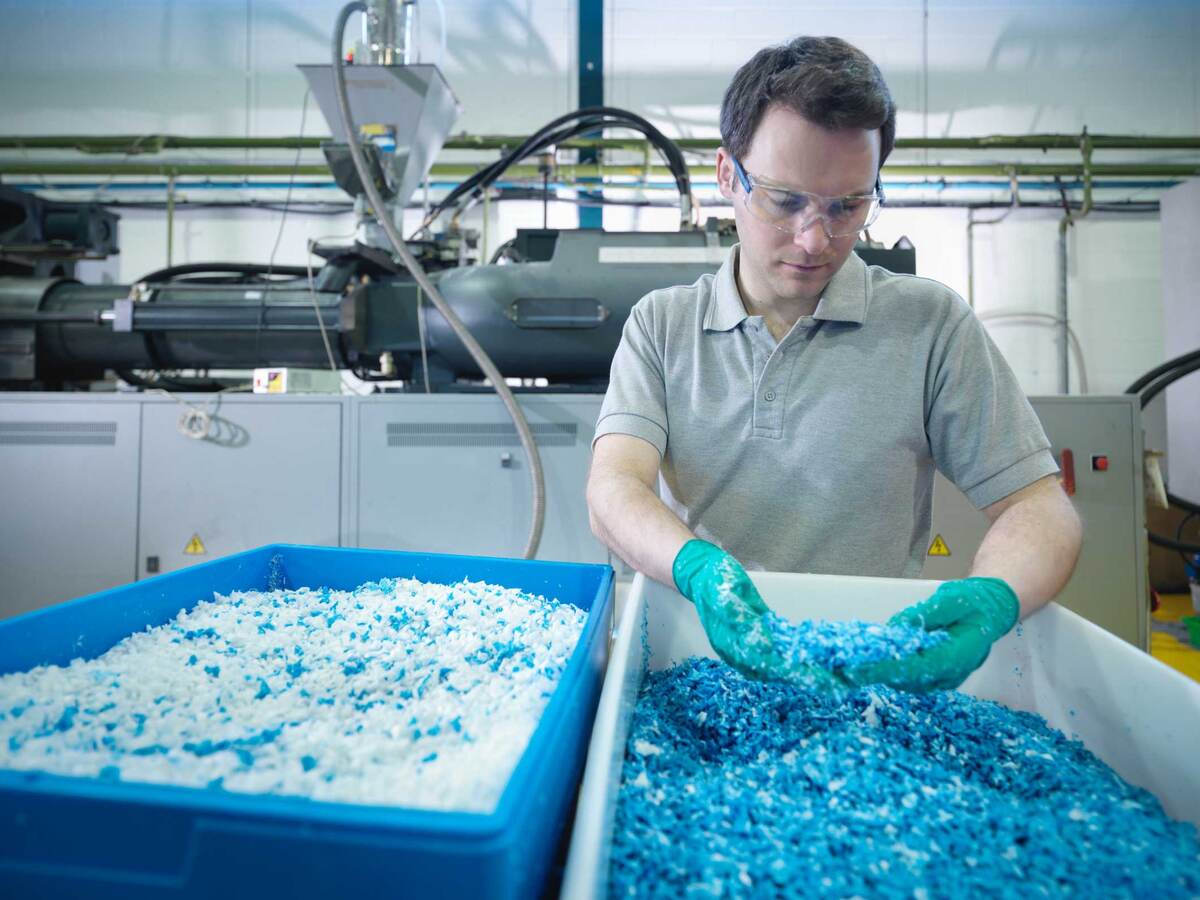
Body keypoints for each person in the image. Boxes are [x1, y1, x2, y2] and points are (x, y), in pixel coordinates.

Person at [585, 36, 1083, 693]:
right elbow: (614, 488)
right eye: (785, 201)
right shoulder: (663, 324)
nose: (815, 239)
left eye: (847, 206)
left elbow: (1040, 507)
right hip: (695, 665)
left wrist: (996, 596)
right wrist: (702, 571)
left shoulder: (931, 326)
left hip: (871, 678)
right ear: (728, 175)